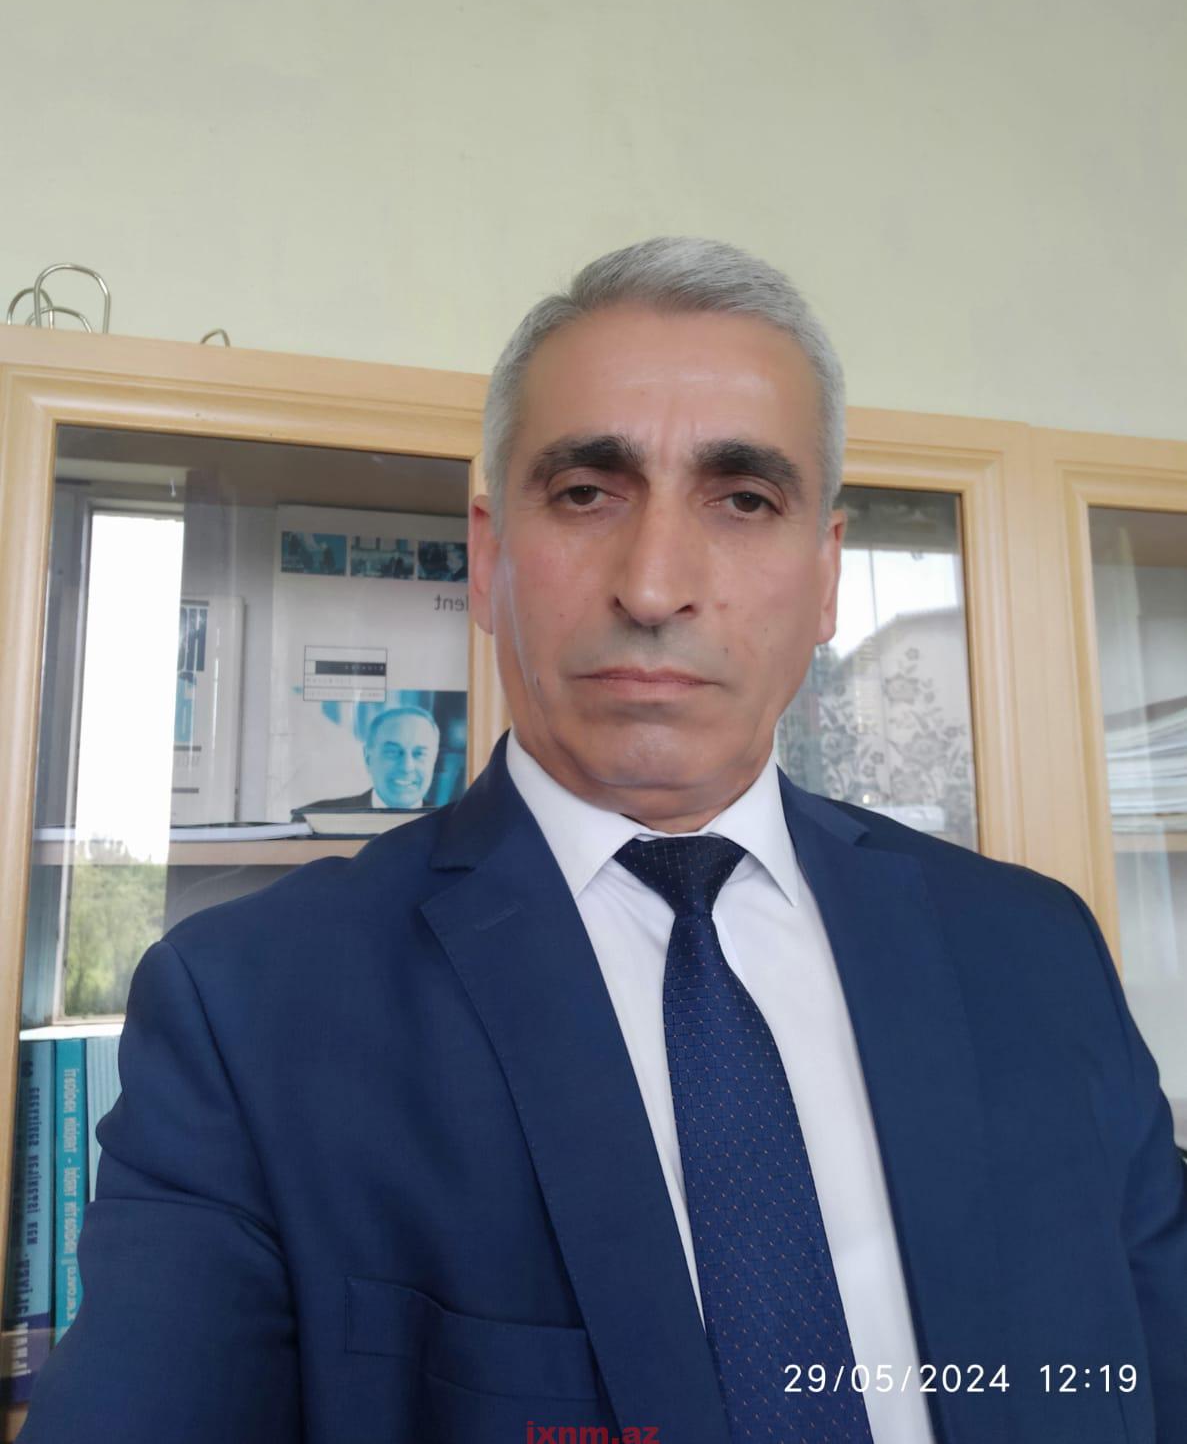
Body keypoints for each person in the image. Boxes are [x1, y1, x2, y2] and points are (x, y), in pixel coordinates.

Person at [20, 239, 1187, 1444]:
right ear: (487, 558)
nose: (654, 585)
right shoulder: (252, 1009)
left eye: (743, 500)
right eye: (586, 493)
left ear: (826, 576)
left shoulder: (1035, 953)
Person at [291, 704, 441, 815]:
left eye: (419, 754)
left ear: (434, 760)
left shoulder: (451, 825)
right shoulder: (313, 818)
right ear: (368, 758)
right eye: (393, 752)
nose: (407, 766)